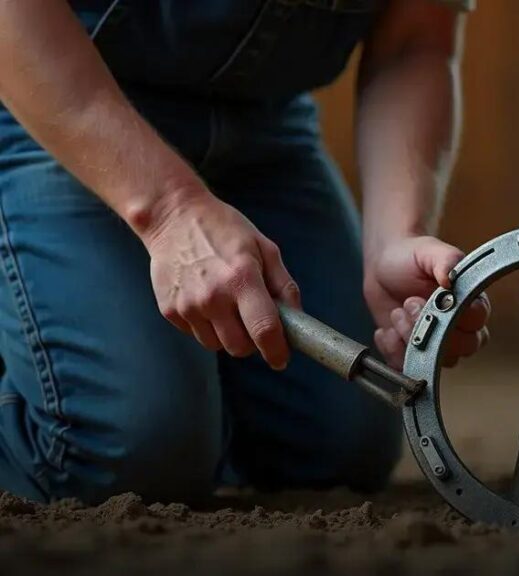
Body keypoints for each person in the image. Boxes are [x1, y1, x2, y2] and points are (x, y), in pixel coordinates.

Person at [0, 0, 489, 505]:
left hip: (264, 128)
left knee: (339, 448)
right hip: (50, 101)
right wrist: (170, 209)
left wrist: (395, 234)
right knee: (124, 449)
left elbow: (414, 41)